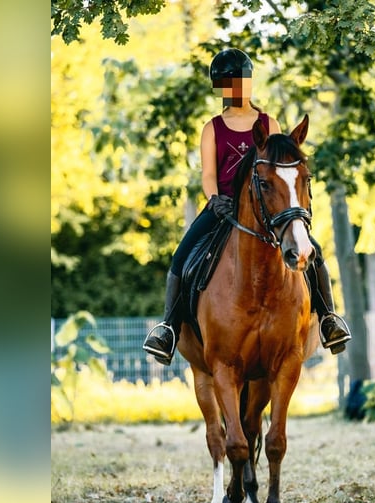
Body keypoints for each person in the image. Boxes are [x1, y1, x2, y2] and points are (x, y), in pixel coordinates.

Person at [143, 48, 351, 365]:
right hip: (223, 206)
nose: (235, 89)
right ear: (220, 88)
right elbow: (209, 174)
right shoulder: (212, 127)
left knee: (314, 250)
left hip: (265, 207)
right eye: (228, 83)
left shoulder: (269, 122)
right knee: (181, 256)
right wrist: (215, 200)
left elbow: (281, 167)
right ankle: (169, 328)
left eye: (239, 82)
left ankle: (328, 319)